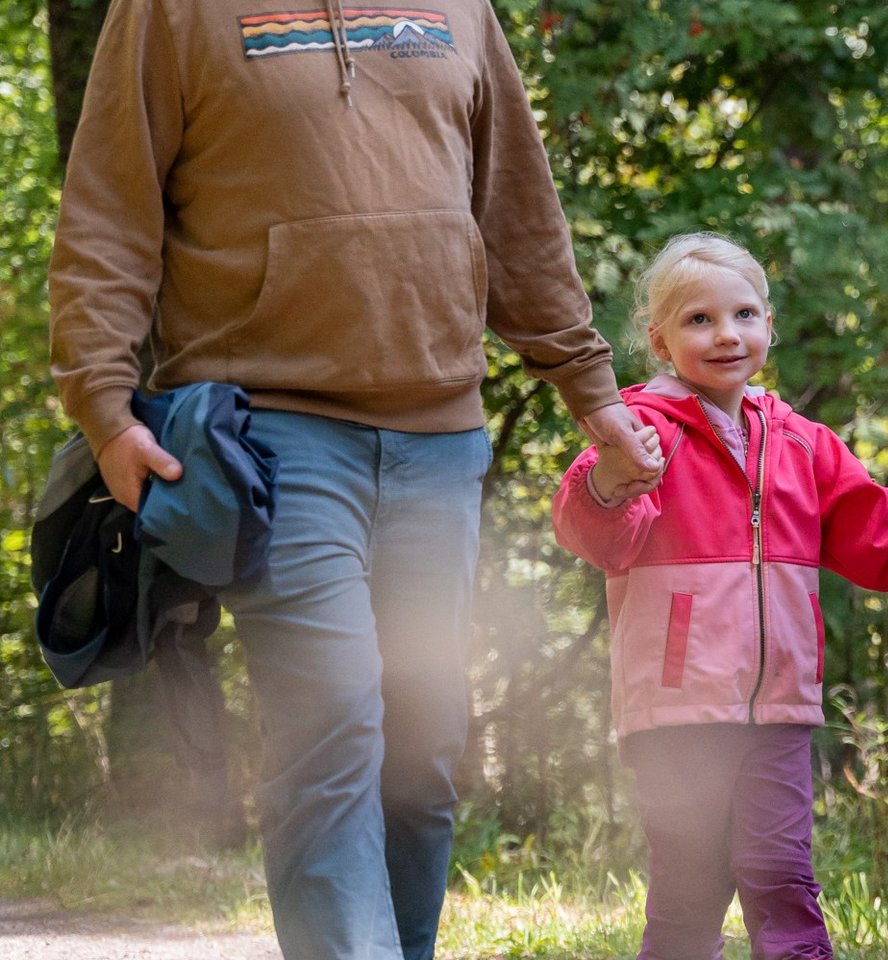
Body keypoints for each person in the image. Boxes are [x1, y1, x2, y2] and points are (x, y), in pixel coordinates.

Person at [46, 0, 660, 956]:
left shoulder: (461, 8)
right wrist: (104, 404)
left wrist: (592, 392)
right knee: (330, 720)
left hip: (440, 434)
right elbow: (108, 210)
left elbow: (516, 209)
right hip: (268, 434)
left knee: (425, 746)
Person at [552, 232, 888, 960]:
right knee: (689, 890)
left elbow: (881, 534)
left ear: (769, 325)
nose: (726, 334)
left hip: (779, 710)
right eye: (699, 320)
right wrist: (610, 479)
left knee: (781, 875)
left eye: (744, 314)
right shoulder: (638, 431)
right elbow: (593, 532)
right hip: (678, 712)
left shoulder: (799, 441)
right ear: (660, 341)